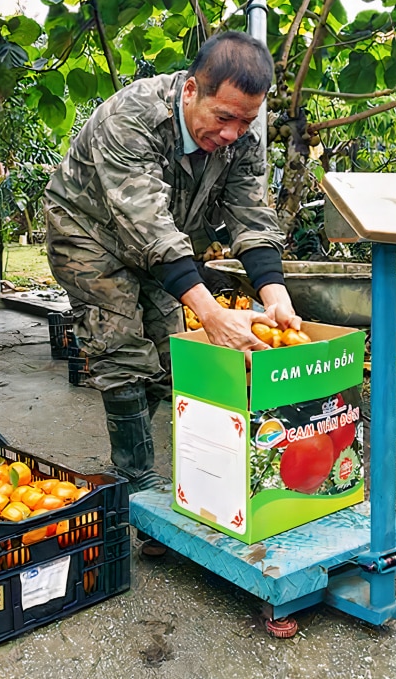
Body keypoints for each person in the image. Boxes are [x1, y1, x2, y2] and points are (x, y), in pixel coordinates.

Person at [44, 31, 302, 492]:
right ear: (189, 91)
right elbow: (144, 222)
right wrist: (211, 313)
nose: (231, 134)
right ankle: (137, 484)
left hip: (161, 246)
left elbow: (250, 211)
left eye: (245, 123)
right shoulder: (131, 117)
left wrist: (275, 293)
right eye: (223, 118)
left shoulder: (240, 136)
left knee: (170, 360)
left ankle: (167, 473)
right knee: (121, 348)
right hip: (88, 235)